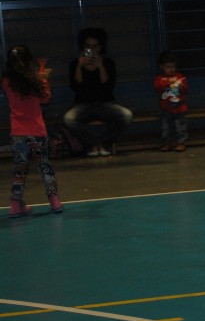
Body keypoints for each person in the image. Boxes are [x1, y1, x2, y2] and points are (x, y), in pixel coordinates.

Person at [2, 45, 63, 217]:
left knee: (20, 168)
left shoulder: (6, 81)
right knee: (44, 166)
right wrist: (43, 79)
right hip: (36, 131)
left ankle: (15, 203)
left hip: (19, 133)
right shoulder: (34, 80)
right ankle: (54, 200)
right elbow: (45, 99)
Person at [64, 27, 133, 157]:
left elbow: (108, 87)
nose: (91, 49)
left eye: (95, 46)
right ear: (83, 46)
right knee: (69, 119)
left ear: (101, 47)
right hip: (82, 105)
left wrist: (100, 67)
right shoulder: (74, 64)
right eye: (88, 46)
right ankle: (91, 146)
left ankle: (103, 144)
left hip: (105, 103)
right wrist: (79, 66)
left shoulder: (108, 63)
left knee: (126, 115)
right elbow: (75, 87)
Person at [154, 50, 189, 152]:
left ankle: (181, 143)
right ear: (162, 67)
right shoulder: (160, 79)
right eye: (168, 67)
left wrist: (181, 85)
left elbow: (185, 90)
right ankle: (167, 143)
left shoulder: (180, 77)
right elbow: (157, 88)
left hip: (180, 108)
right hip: (166, 108)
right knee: (166, 128)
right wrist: (166, 84)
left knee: (180, 127)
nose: (171, 69)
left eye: (173, 66)